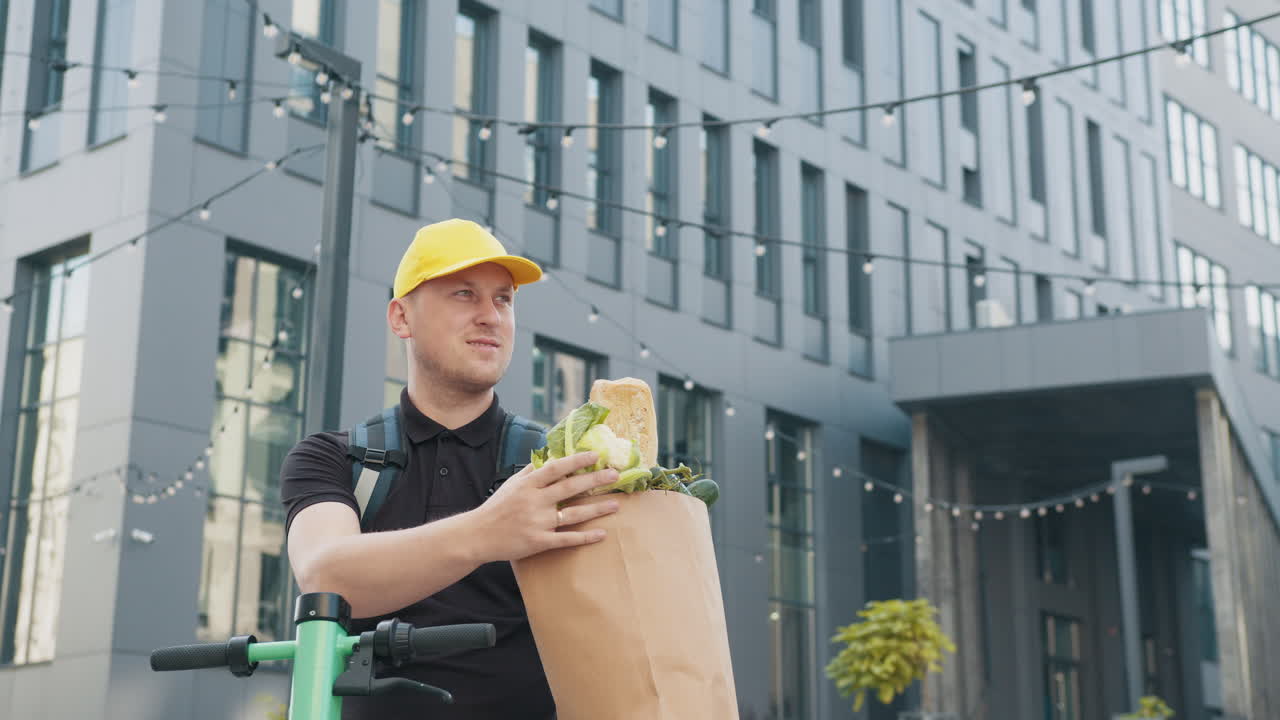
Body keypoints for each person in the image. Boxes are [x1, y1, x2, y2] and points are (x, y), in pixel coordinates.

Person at [281, 219, 621, 719]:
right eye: (464, 294)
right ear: (401, 317)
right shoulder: (331, 458)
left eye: (503, 299)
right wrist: (491, 531)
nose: (491, 316)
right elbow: (326, 576)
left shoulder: (560, 465)